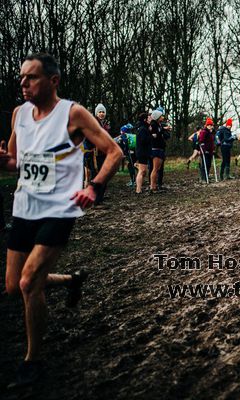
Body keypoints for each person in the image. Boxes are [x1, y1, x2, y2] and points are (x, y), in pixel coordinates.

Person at [0, 53, 122, 387]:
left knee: (28, 282)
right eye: (22, 77)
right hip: (25, 207)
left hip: (59, 208)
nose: (24, 84)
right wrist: (4, 162)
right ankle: (70, 280)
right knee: (13, 286)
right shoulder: (19, 114)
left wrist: (94, 187)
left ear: (53, 81)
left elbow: (114, 152)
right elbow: (15, 162)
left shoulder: (73, 113)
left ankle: (33, 360)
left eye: (32, 78)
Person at [92, 103, 111, 204]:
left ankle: (99, 198)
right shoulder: (95, 123)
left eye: (103, 112)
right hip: (97, 153)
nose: (101, 113)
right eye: (99, 112)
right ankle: (97, 200)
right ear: (96, 113)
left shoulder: (104, 124)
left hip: (104, 152)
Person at [135, 112, 152, 194]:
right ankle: (138, 189)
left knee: (143, 171)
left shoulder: (144, 128)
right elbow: (143, 140)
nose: (150, 119)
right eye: (149, 118)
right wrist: (151, 136)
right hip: (142, 152)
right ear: (145, 119)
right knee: (142, 171)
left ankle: (139, 188)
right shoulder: (143, 129)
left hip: (143, 152)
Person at [198, 118, 215, 183]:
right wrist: (204, 149)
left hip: (210, 151)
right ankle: (203, 178)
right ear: (206, 125)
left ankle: (206, 177)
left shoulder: (211, 132)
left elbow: (212, 142)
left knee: (208, 165)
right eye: (209, 125)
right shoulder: (204, 132)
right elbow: (201, 141)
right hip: (205, 151)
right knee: (205, 164)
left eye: (211, 125)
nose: (210, 126)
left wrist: (213, 149)